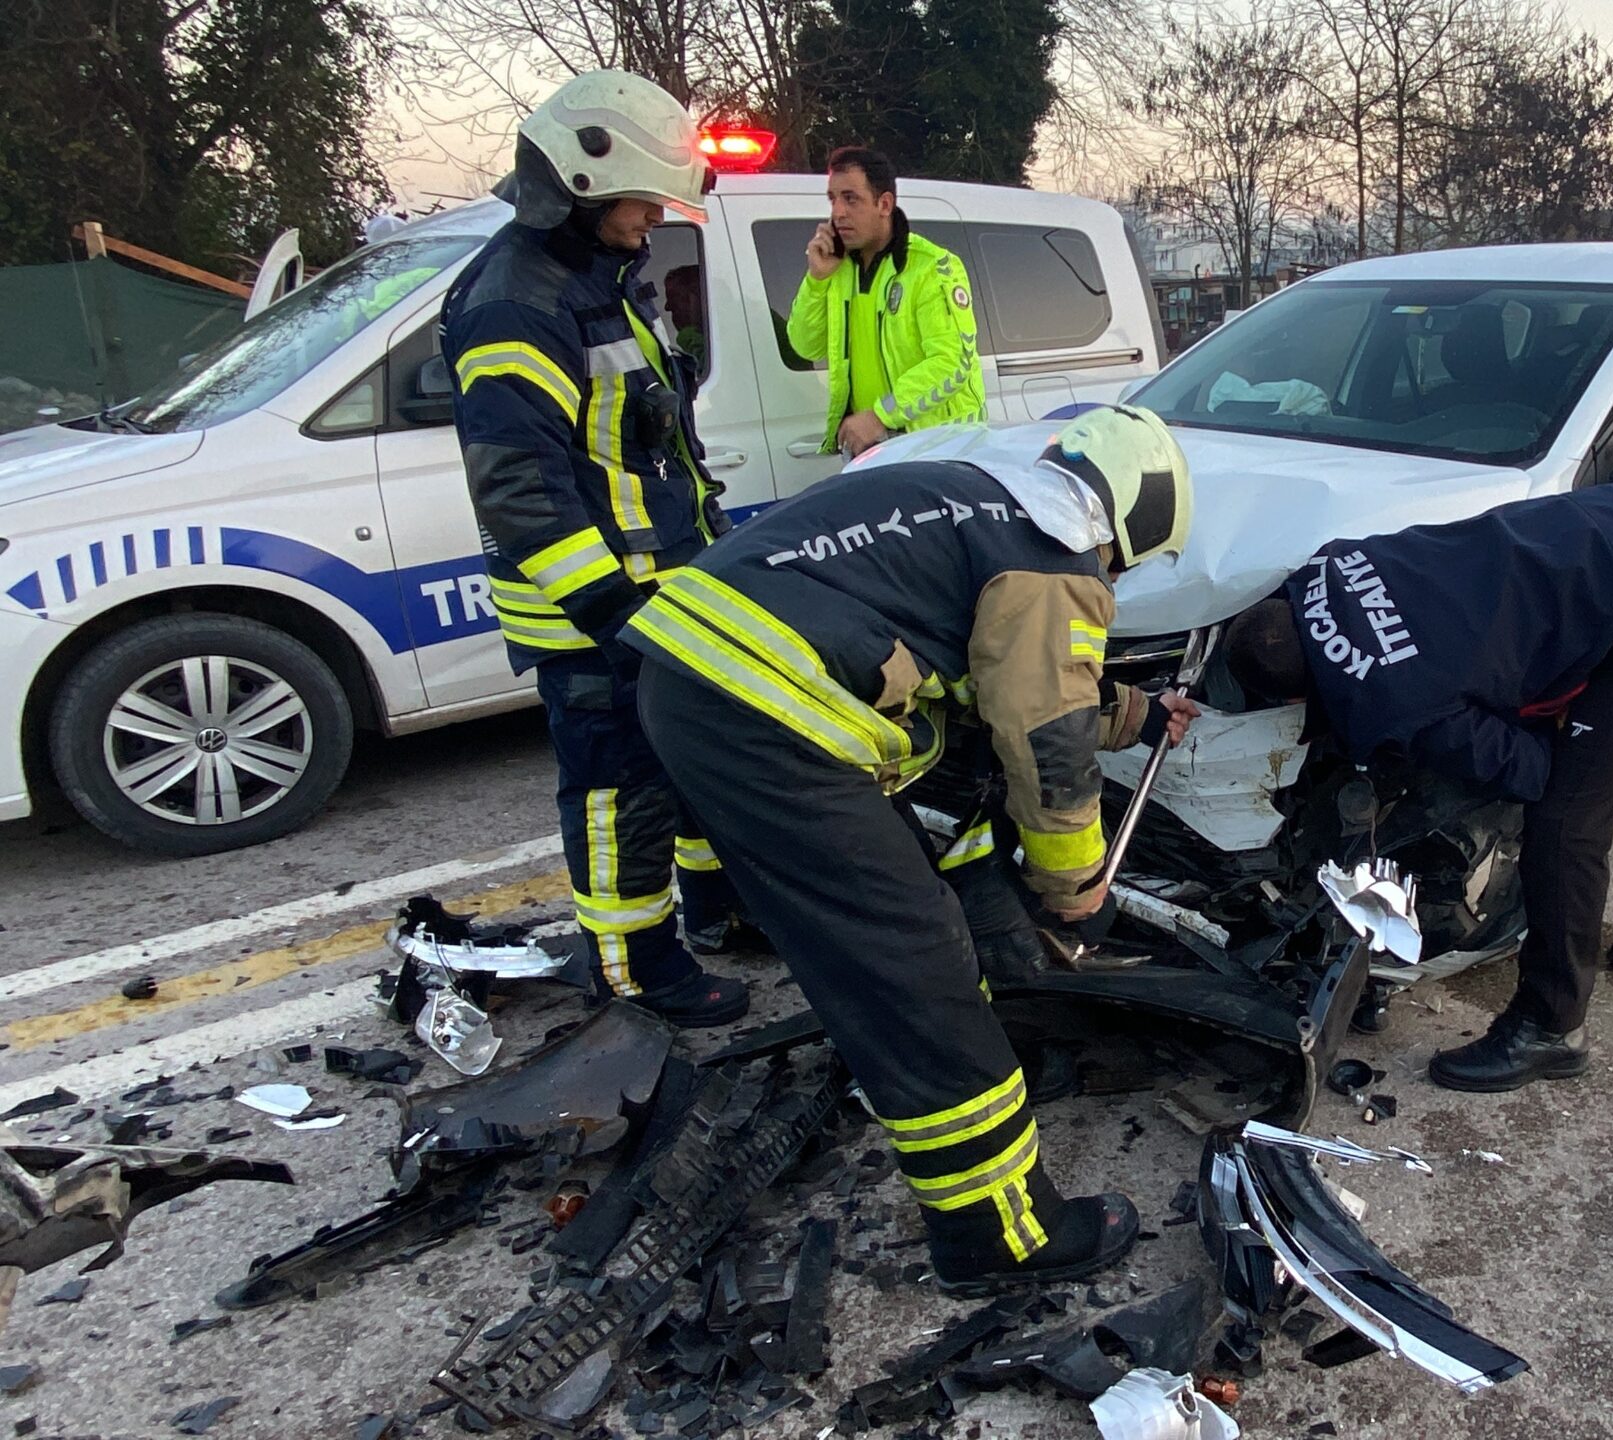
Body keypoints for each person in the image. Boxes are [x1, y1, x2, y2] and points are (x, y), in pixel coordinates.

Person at [626, 406, 1201, 1292]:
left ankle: (906, 1079)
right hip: (773, 723)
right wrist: (1076, 890)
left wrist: (1134, 712)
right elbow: (1045, 741)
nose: (1113, 575)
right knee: (915, 968)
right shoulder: (1054, 559)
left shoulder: (965, 497)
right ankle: (1001, 1237)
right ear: (1132, 520)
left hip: (692, 679)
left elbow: (1000, 673)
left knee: (882, 943)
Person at [1222, 484, 1613, 1093]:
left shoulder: (1400, 701)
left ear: (1298, 694)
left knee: (1565, 818)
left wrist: (1575, 747)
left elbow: (1530, 769)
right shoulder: (1327, 566)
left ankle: (1551, 1027)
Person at [439, 70, 758, 1029]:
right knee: (621, 787)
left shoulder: (599, 280)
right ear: (583, 178)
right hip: (598, 615)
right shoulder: (515, 303)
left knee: (692, 758)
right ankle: (636, 966)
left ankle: (715, 908)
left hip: (661, 587)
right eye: (643, 195)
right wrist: (610, 609)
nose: (655, 214)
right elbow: (519, 487)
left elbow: (648, 443)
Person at [789, 146, 984, 456]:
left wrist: (880, 415)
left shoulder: (931, 267)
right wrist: (816, 280)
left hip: (941, 449)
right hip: (872, 448)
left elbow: (952, 363)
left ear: (884, 203)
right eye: (833, 199)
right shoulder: (840, 270)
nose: (838, 212)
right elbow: (805, 345)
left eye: (850, 199)